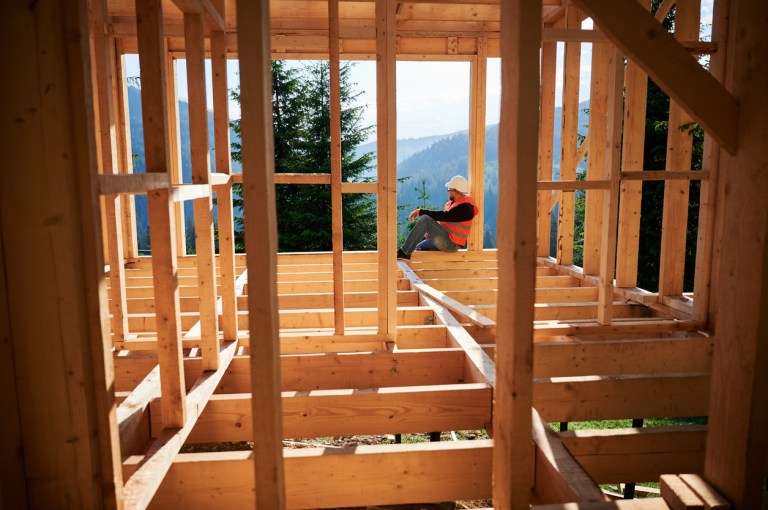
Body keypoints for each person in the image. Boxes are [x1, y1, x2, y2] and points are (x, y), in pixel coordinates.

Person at [396, 175, 479, 260]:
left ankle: (404, 252)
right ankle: (406, 252)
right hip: (446, 239)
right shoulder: (454, 203)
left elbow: (446, 216)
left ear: (455, 191)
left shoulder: (465, 208)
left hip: (451, 244)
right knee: (418, 247)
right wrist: (432, 231)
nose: (448, 192)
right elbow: (447, 221)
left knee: (425, 220)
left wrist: (421, 211)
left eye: (449, 190)